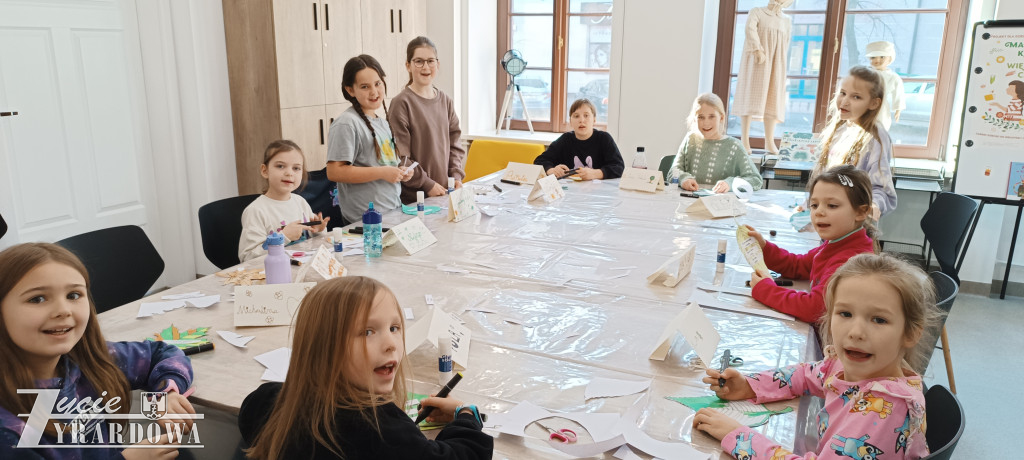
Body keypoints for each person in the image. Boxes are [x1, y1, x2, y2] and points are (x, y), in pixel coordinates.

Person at [694, 252, 940, 460]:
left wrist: (739, 436)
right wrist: (749, 385)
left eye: (879, 320)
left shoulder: (883, 408)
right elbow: (806, 374)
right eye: (845, 314)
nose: (855, 333)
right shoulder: (851, 365)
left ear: (910, 333)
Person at [239, 277, 492, 459]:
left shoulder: (267, 402)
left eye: (394, 328)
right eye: (368, 332)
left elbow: (248, 413)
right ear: (324, 347)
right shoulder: (379, 428)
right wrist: (466, 415)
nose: (391, 344)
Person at [0, 243, 195, 459]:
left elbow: (162, 353)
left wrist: (164, 393)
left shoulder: (87, 359)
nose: (63, 310)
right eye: (37, 299)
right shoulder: (7, 427)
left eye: (73, 295)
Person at [745, 166, 876, 323]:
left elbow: (814, 308)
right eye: (814, 205)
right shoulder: (836, 243)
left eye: (832, 205)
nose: (819, 212)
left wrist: (765, 290)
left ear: (861, 212)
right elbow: (798, 265)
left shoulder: (851, 261)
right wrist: (764, 248)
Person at [327, 55, 415, 224]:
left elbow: (381, 163)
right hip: (364, 222)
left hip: (392, 213)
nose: (374, 92)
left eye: (378, 83)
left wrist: (400, 171)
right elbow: (334, 172)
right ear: (350, 90)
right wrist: (383, 172)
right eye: (365, 87)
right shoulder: (347, 123)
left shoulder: (382, 123)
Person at [811, 65, 897, 220]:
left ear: (874, 103)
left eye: (856, 97)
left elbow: (882, 189)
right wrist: (811, 205)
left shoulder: (876, 137)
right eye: (842, 93)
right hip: (830, 221)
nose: (844, 101)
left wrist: (874, 205)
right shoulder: (840, 129)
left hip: (851, 226)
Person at [389, 36, 467, 204]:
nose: (425, 67)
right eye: (419, 61)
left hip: (445, 191)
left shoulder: (446, 101)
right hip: (416, 197)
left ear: (437, 64)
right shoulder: (401, 103)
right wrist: (427, 184)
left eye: (430, 61)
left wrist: (455, 176)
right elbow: (401, 156)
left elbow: (456, 145)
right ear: (408, 65)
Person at [239, 140, 329, 262]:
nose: (289, 173)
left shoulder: (300, 202)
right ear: (265, 171)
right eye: (280, 166)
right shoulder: (256, 211)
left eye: (296, 168)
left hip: (302, 268)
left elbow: (313, 245)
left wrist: (317, 232)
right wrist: (283, 237)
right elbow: (248, 257)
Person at [733, 0, 793, 153]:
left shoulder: (786, 21)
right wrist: (757, 50)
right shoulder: (757, 12)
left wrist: (780, 62)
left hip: (776, 64)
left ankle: (769, 141)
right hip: (757, 61)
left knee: (772, 99)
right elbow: (750, 29)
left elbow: (786, 43)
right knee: (750, 96)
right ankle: (744, 140)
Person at [671, 93, 763, 193]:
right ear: (694, 118)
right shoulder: (690, 139)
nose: (706, 123)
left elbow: (755, 179)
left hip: (721, 205)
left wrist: (730, 183)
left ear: (721, 117)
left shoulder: (734, 146)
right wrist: (684, 179)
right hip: (688, 202)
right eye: (701, 117)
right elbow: (673, 171)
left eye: (711, 116)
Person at [533, 98, 624, 180]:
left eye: (586, 115)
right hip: (570, 191)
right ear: (571, 122)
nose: (581, 120)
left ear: (594, 120)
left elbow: (619, 167)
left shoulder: (604, 138)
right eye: (576, 116)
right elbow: (539, 161)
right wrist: (551, 170)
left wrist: (596, 173)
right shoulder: (565, 140)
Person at [865, 41, 906, 130]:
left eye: (882, 57)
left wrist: (898, 109)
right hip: (864, 103)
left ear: (889, 59)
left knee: (880, 125)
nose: (877, 60)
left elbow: (898, 92)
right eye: (873, 57)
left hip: (881, 106)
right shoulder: (864, 74)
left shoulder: (893, 77)